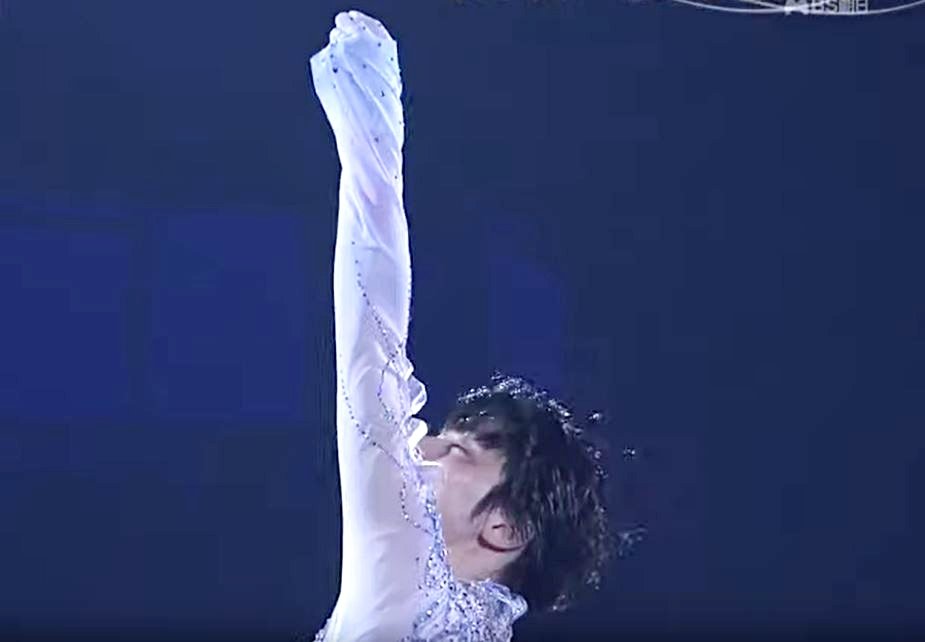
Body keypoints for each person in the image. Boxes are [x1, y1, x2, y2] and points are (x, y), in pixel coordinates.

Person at [308, 10, 615, 641]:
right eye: (445, 438)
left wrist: (371, 118)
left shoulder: (405, 571)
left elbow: (371, 338)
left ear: (504, 528)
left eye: (460, 452)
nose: (422, 448)